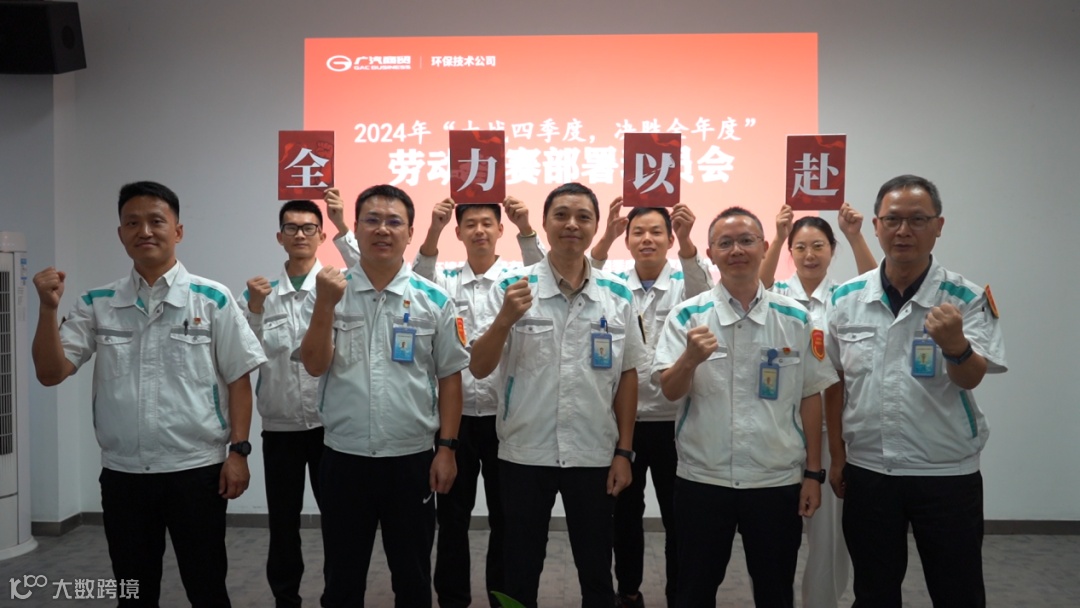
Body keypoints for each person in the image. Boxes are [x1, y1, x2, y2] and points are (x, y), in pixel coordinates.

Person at [31, 181, 266, 607]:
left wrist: (239, 452)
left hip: (196, 470)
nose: (145, 231)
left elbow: (238, 379)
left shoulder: (212, 299)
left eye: (157, 221)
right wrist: (48, 310)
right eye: (132, 223)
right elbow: (51, 373)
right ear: (120, 233)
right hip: (124, 475)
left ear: (178, 231)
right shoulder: (97, 302)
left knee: (207, 587)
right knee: (133, 590)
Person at [825, 175, 1007, 607]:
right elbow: (834, 380)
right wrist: (838, 457)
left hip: (945, 473)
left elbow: (972, 376)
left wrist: (956, 346)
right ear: (876, 226)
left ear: (938, 226)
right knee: (873, 592)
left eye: (917, 220)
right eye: (892, 220)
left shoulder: (965, 297)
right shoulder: (846, 298)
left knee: (957, 591)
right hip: (870, 470)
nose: (903, 230)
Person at [469, 182, 647, 608]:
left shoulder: (618, 295)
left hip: (592, 452)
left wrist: (624, 451)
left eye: (583, 217)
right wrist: (505, 319)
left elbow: (627, 376)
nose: (572, 224)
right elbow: (478, 366)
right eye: (561, 215)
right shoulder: (511, 287)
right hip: (525, 453)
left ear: (596, 226)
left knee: (596, 570)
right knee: (519, 568)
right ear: (545, 224)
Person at [652, 206, 839, 608]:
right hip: (703, 479)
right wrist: (689, 360)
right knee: (693, 591)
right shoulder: (688, 315)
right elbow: (669, 390)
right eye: (725, 243)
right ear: (711, 253)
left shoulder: (796, 318)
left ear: (765, 247)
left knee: (775, 592)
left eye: (746, 240)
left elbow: (811, 395)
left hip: (774, 481)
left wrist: (812, 473)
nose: (736, 250)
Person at [300, 184, 469, 607]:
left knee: (413, 578)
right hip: (344, 457)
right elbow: (314, 364)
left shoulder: (433, 299)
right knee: (342, 580)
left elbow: (450, 377)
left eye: (394, 222)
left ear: (410, 233)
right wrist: (325, 306)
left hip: (410, 459)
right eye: (372, 220)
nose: (382, 229)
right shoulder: (329, 290)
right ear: (354, 229)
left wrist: (447, 448)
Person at [410, 196, 544, 608]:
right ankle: (453, 600)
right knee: (452, 519)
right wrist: (432, 230)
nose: (480, 230)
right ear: (459, 232)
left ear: (500, 230)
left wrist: (526, 228)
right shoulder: (447, 279)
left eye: (488, 223)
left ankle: (502, 599)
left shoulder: (517, 278)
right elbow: (416, 281)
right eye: (471, 224)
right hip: (457, 421)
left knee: (507, 520)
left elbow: (545, 275)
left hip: (507, 420)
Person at [589, 198, 712, 608]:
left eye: (657, 231)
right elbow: (584, 276)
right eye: (638, 232)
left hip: (677, 421)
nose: (647, 239)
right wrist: (604, 237)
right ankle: (629, 591)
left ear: (669, 239)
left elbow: (706, 296)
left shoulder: (684, 281)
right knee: (624, 515)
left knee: (680, 517)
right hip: (625, 422)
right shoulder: (613, 284)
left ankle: (679, 594)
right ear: (627, 240)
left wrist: (689, 241)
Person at [758, 202, 877, 608]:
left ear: (832, 250)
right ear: (789, 252)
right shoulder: (775, 295)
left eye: (819, 246)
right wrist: (777, 236)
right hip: (779, 429)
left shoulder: (845, 297)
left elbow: (874, 286)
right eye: (801, 247)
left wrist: (855, 234)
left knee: (829, 538)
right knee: (773, 535)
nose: (809, 255)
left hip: (830, 433)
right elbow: (755, 286)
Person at [239, 199, 330, 607]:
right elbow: (244, 355)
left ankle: (337, 596)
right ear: (279, 237)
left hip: (331, 428)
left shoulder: (336, 288)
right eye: (291, 228)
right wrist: (255, 311)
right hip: (280, 430)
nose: (300, 235)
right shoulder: (259, 296)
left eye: (309, 228)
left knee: (340, 522)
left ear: (321, 235)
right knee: (283, 524)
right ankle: (285, 599)